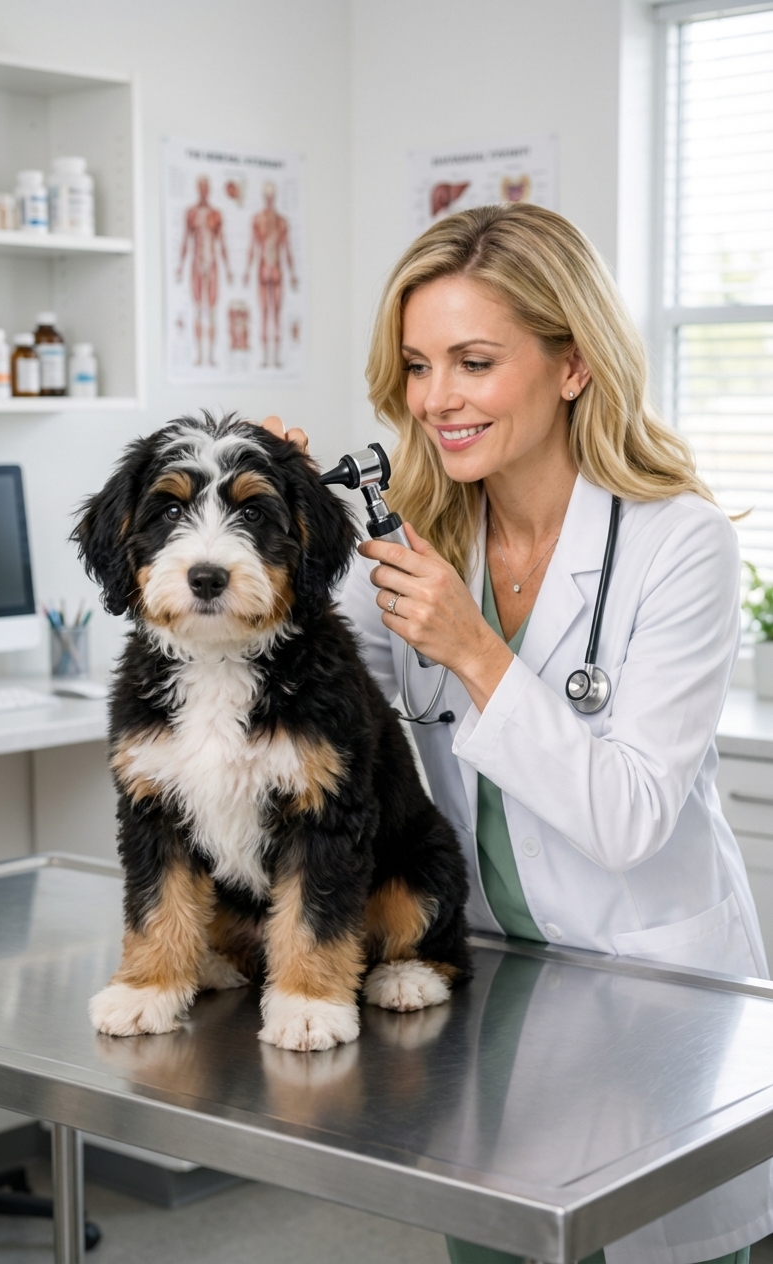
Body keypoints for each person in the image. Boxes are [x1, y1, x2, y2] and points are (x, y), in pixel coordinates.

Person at [262, 202, 771, 1264]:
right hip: (489, 996)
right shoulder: (414, 532)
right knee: (499, 1241)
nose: (435, 399)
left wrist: (474, 648)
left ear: (572, 364)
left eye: (474, 361)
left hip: (650, 1000)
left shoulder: (679, 545)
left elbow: (628, 818)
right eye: (416, 364)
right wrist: (283, 517)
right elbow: (305, 677)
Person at [176, 176, 233, 366]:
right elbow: (186, 239)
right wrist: (180, 266)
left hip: (212, 263)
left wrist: (229, 268)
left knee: (213, 311)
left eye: (206, 187)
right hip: (196, 264)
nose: (203, 190)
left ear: (209, 189)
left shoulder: (216, 214)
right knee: (199, 310)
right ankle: (200, 355)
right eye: (200, 187)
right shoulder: (191, 213)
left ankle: (211, 356)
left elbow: (222, 241)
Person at [244, 180, 298, 367]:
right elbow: (253, 246)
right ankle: (266, 358)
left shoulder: (282, 222)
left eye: (271, 195)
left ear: (274, 197)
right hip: (263, 269)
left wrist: (292, 274)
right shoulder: (258, 220)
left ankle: (275, 358)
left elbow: (287, 249)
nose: (269, 198)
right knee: (265, 314)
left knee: (276, 314)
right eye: (266, 195)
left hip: (276, 271)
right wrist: (246, 271)